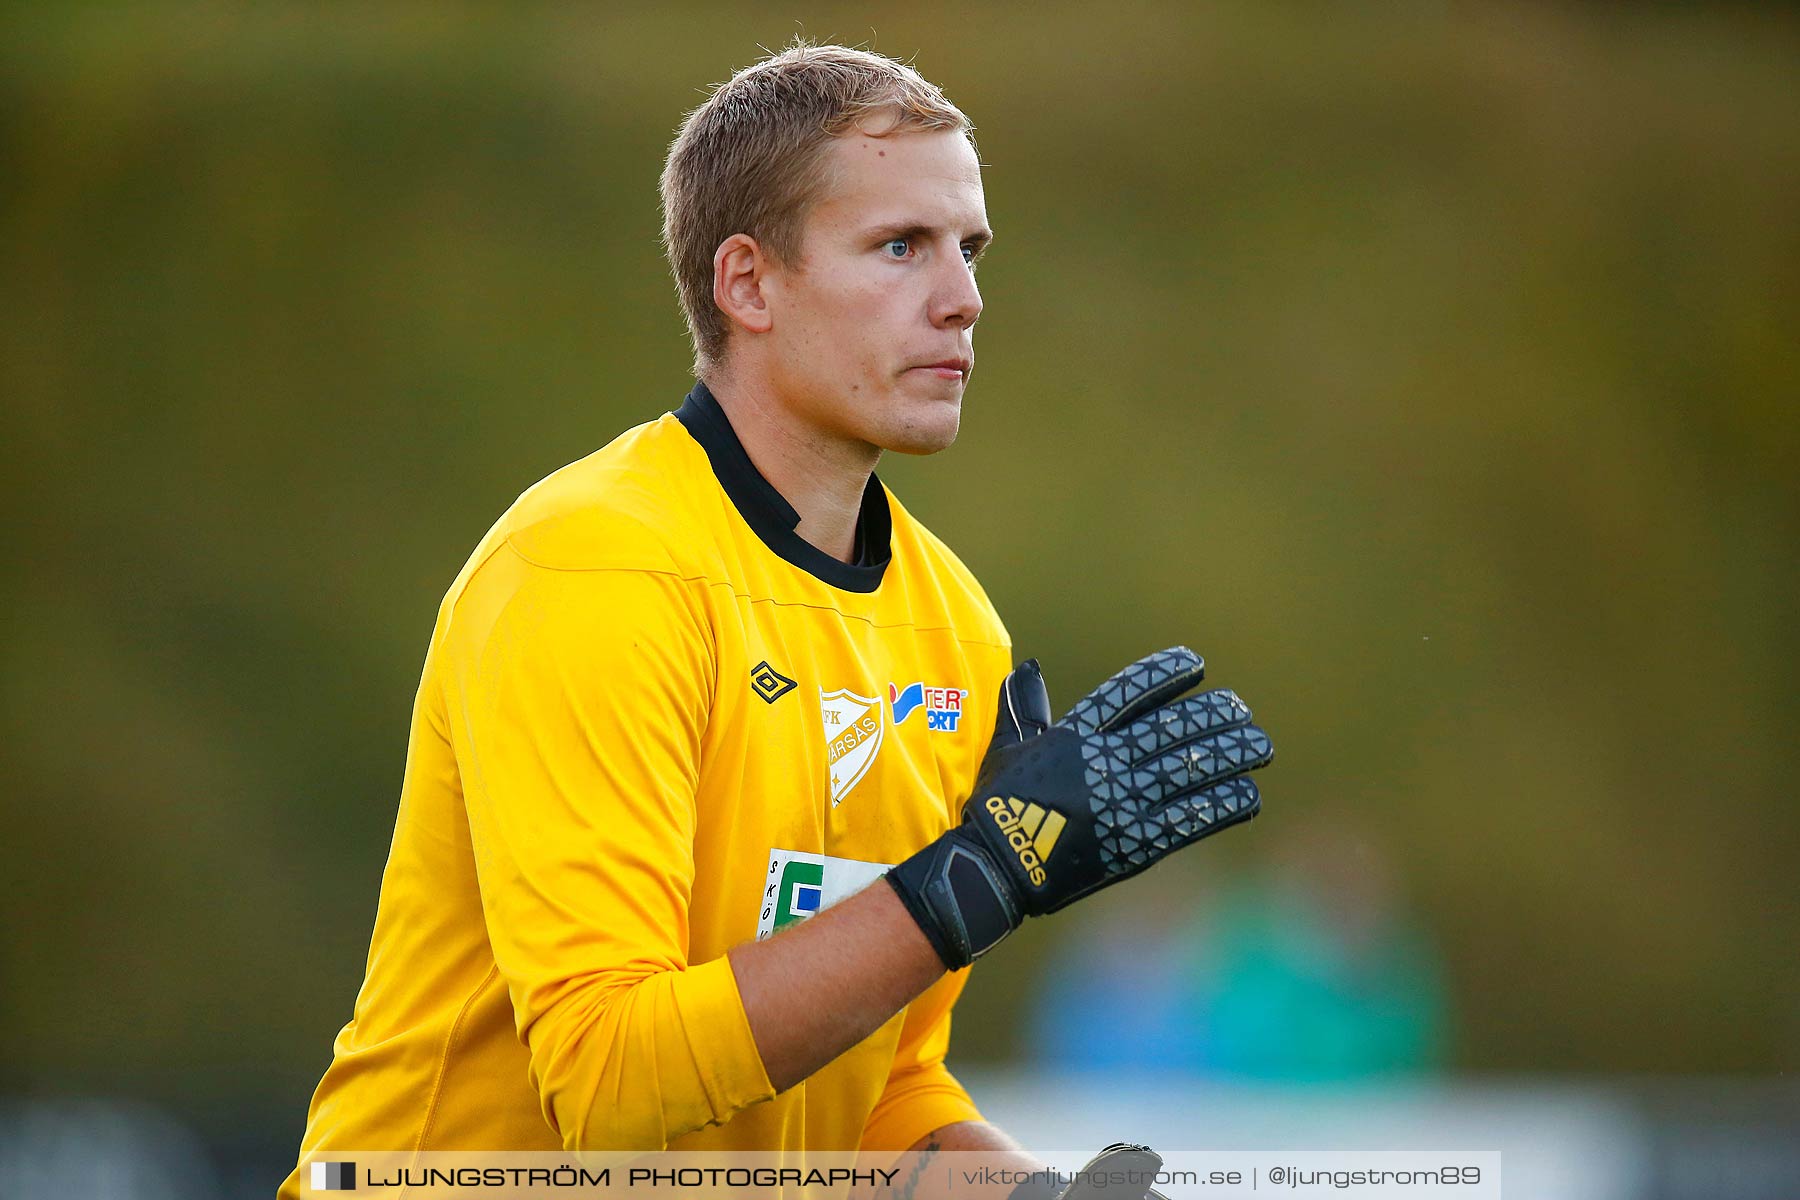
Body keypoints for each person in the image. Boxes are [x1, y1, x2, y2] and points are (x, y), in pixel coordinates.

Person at [278, 43, 1273, 1200]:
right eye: (901, 246)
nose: (963, 296)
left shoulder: (954, 627)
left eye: (970, 248)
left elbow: (878, 1094)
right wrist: (980, 876)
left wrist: (1034, 1196)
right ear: (747, 285)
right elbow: (609, 1084)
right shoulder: (596, 567)